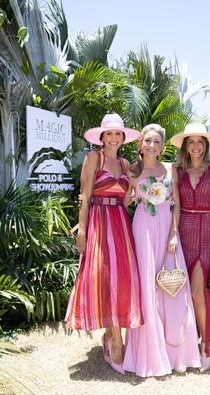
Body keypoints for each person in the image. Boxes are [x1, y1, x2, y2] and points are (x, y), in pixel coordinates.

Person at [65, 113, 144, 374]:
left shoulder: (124, 164)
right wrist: (82, 230)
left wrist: (133, 190)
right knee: (103, 278)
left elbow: (130, 196)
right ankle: (115, 341)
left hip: (120, 224)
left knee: (122, 281)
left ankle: (114, 339)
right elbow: (85, 197)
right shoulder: (93, 158)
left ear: (123, 138)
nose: (113, 137)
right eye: (109, 133)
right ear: (102, 137)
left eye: (117, 134)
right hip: (98, 222)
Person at [123, 124, 201, 377]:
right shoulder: (133, 172)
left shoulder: (170, 169)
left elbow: (176, 203)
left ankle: (177, 351)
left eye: (157, 141)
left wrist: (174, 234)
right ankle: (150, 353)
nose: (152, 146)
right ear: (141, 144)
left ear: (162, 145)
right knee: (148, 284)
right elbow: (123, 201)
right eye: (148, 141)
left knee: (173, 288)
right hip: (143, 228)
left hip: (167, 229)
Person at [170, 123, 210, 371]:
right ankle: (187, 339)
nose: (195, 146)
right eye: (191, 142)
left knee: (198, 292)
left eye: (200, 142)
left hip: (205, 231)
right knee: (181, 293)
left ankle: (206, 341)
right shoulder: (178, 171)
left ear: (205, 145)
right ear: (185, 146)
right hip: (182, 231)